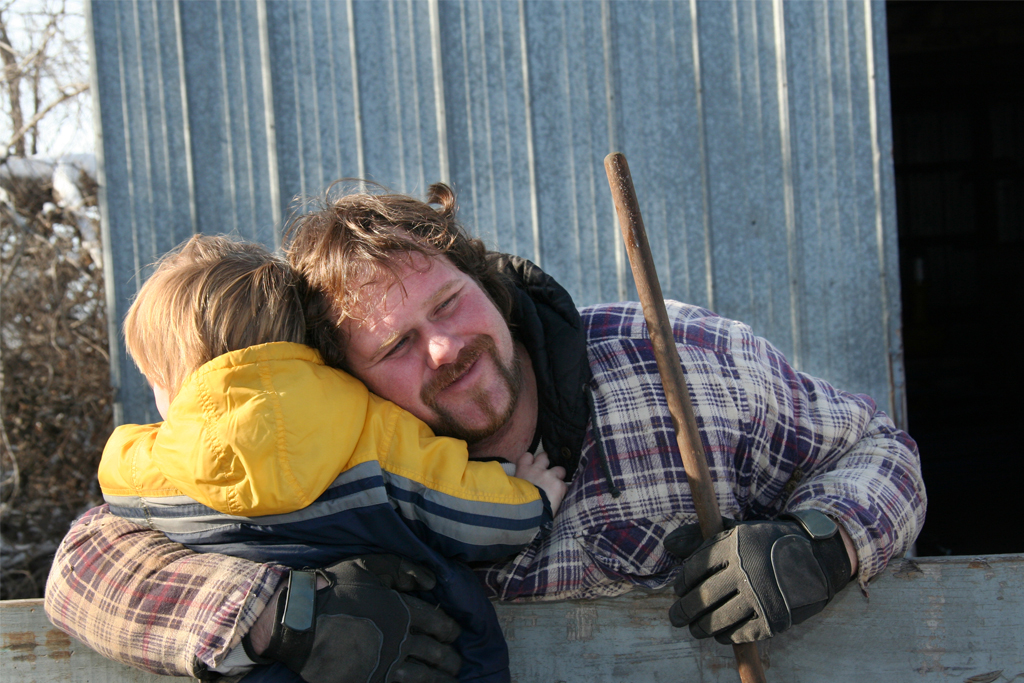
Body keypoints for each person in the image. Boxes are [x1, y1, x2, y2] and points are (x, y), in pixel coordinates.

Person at [45, 181, 927, 681]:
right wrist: (285, 614)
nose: (444, 347)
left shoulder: (678, 364)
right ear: (344, 383)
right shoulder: (330, 465)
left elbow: (878, 452)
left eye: (449, 302)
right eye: (394, 344)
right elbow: (87, 563)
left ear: (490, 288)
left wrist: (825, 540)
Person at [94, 233, 567, 683]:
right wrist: (530, 499)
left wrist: (285, 617)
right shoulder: (366, 422)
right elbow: (465, 509)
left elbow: (106, 531)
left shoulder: (141, 466)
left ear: (166, 380)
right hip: (431, 656)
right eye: (397, 344)